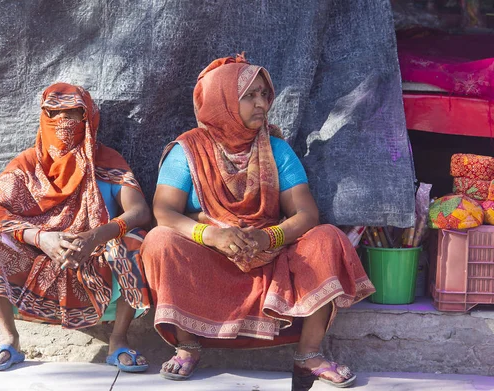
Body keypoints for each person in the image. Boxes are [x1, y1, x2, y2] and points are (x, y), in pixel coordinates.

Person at [141, 55, 376, 387]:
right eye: (249, 95)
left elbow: (306, 214)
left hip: (268, 252)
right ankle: (188, 347)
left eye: (265, 94)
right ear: (221, 101)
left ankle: (309, 354)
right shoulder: (188, 150)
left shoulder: (277, 149)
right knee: (160, 240)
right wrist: (211, 235)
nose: (262, 103)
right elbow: (164, 212)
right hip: (211, 252)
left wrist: (270, 238)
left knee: (327, 237)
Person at [0, 83, 151, 373]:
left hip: (95, 256)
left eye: (73, 114)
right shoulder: (28, 164)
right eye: (54, 114)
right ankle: (10, 338)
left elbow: (139, 211)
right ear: (43, 117)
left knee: (133, 243)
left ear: (89, 118)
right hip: (40, 253)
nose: (63, 123)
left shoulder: (105, 160)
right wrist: (41, 238)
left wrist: (95, 236)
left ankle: (118, 340)